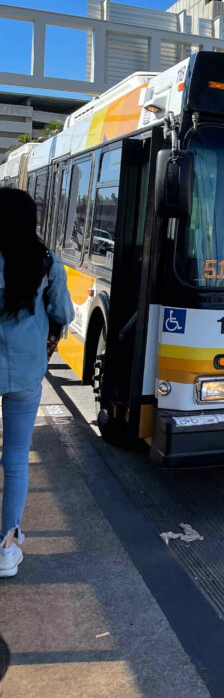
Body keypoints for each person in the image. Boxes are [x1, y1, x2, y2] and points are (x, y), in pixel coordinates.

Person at [0, 188, 74, 579]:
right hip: (25, 373)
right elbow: (63, 312)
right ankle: (6, 547)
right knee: (15, 458)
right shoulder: (46, 263)